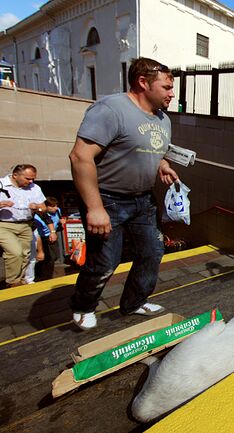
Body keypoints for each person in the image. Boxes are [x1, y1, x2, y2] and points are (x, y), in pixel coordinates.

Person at [68, 57, 179, 330]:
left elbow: (150, 149)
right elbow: (80, 157)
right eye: (166, 87)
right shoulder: (111, 109)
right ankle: (83, 306)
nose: (171, 93)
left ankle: (134, 302)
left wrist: (162, 165)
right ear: (143, 82)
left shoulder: (163, 119)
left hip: (143, 200)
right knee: (106, 261)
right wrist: (95, 208)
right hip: (107, 199)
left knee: (152, 252)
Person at [0, 164, 46, 288]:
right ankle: (13, 281)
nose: (31, 181)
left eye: (33, 179)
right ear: (15, 175)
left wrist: (37, 207)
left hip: (26, 225)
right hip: (4, 225)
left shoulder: (35, 188)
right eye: (27, 178)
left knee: (25, 255)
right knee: (15, 252)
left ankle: (19, 280)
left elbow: (43, 208)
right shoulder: (1, 185)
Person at [34, 197, 65, 280]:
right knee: (49, 258)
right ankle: (45, 276)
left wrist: (61, 221)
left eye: (56, 205)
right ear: (46, 207)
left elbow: (60, 218)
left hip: (53, 234)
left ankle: (40, 270)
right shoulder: (39, 215)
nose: (56, 208)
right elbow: (39, 230)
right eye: (53, 206)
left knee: (54, 256)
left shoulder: (57, 210)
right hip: (43, 237)